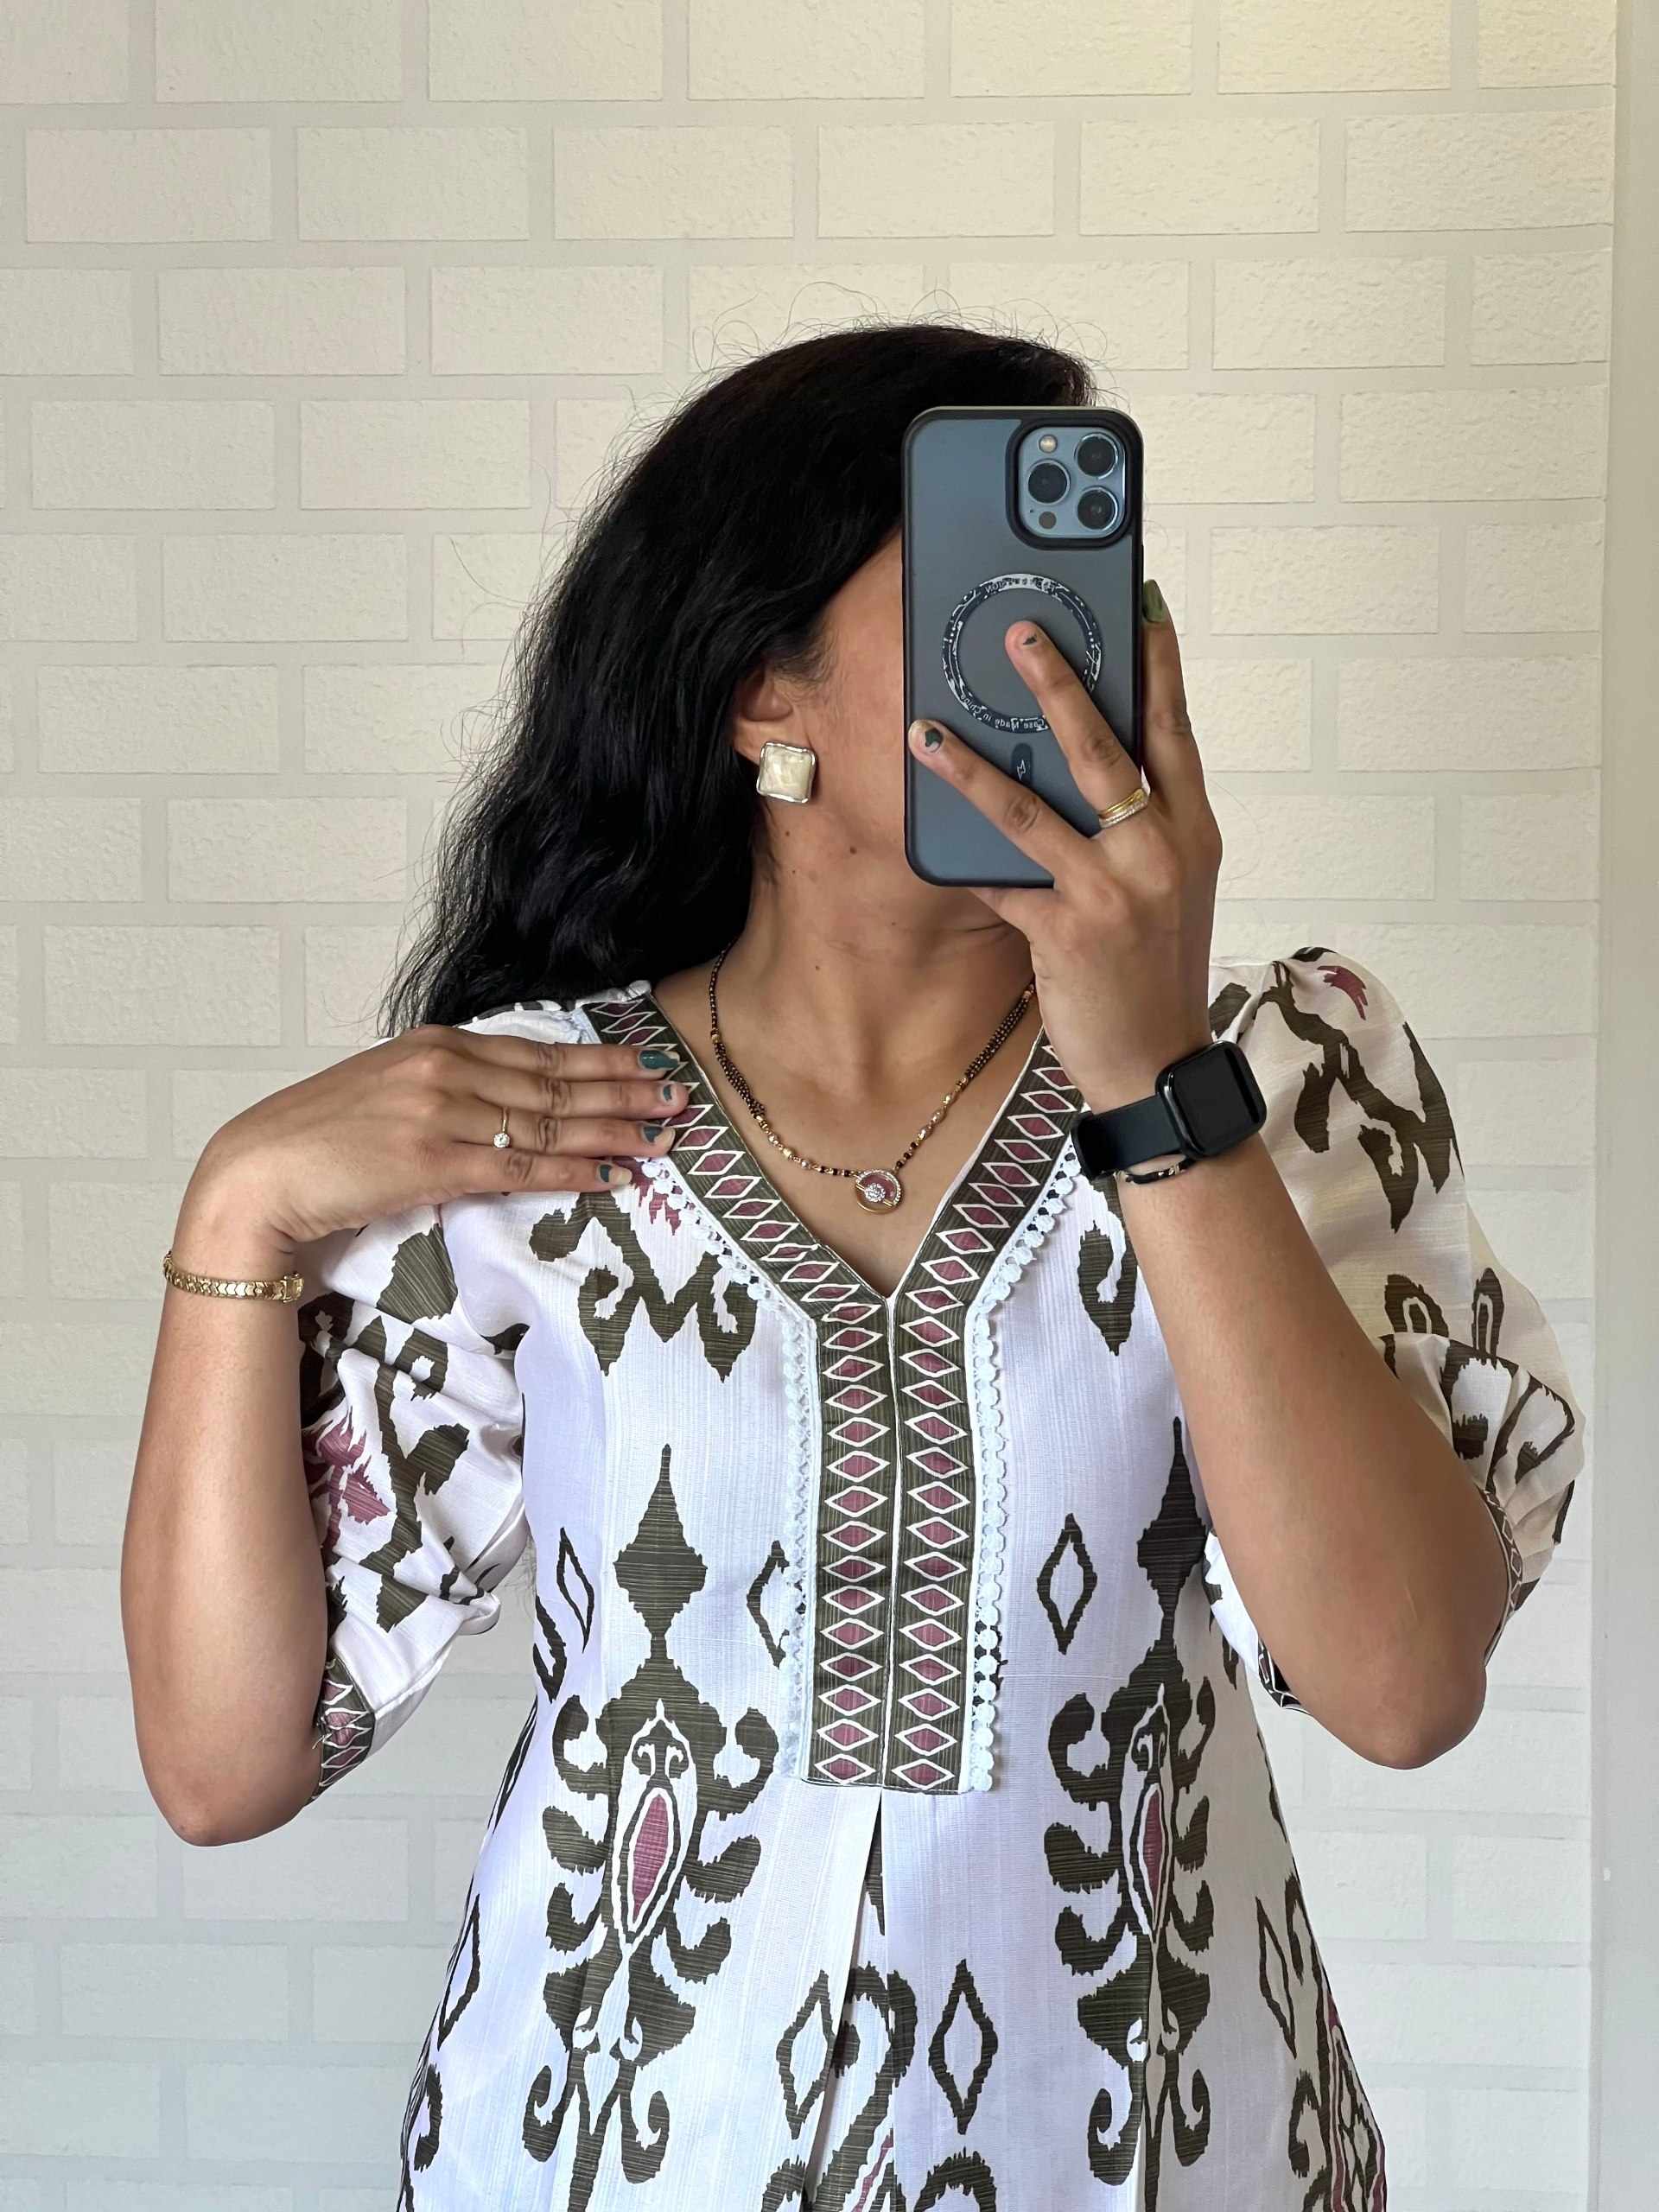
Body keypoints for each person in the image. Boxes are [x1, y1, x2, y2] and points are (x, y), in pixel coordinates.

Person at [124, 322, 1581, 2210]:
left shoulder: (1281, 1078)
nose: (1053, 642)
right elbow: (220, 1766)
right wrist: (236, 1211)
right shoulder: (519, 1129)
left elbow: (1402, 1683)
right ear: (761, 694)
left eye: (1092, 579)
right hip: (612, 2157)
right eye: (983, 576)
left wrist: (1153, 1076)